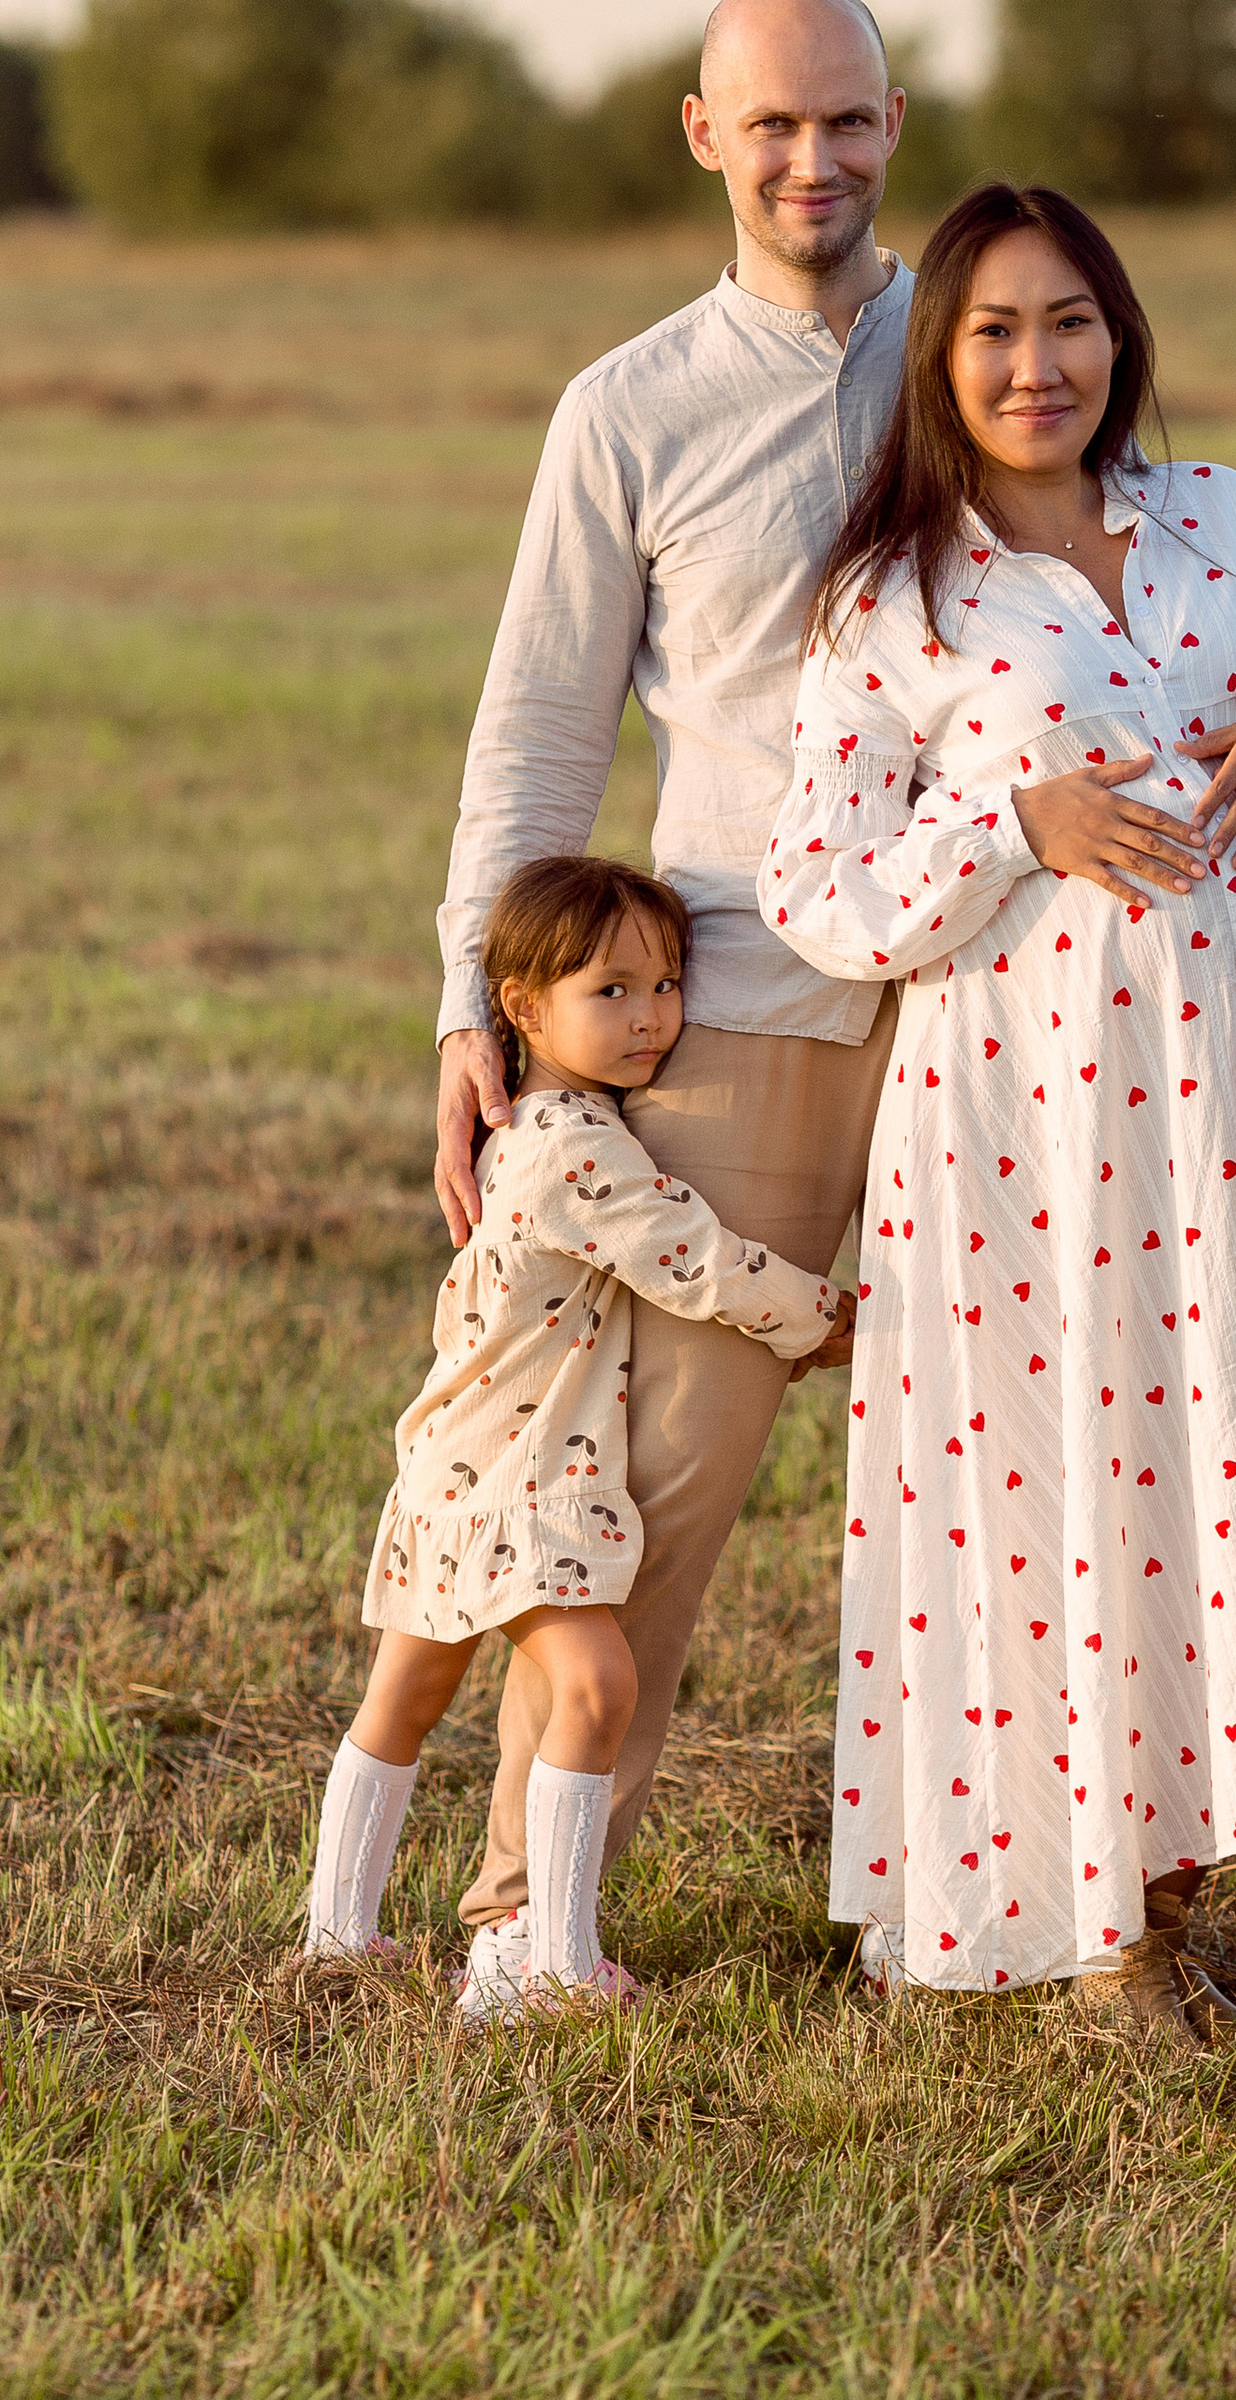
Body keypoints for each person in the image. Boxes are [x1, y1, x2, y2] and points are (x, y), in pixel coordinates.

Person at [427, 0, 1236, 2021]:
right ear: (701, 139)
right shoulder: (630, 411)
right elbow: (535, 738)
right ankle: (524, 1918)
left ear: (891, 124)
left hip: (1022, 1033)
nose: (811, 162)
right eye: (769, 129)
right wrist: (466, 1010)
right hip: (737, 1007)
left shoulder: (981, 333)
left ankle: (1100, 1874)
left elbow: (1184, 599)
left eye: (842, 124)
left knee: (1062, 1453)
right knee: (649, 1485)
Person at [758, 179, 1236, 2046]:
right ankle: (1097, 1933)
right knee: (1066, 1479)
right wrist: (1017, 820)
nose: (1036, 363)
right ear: (940, 357)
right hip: (1029, 1128)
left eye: (1070, 322)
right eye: (992, 329)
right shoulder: (892, 595)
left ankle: (1235, 1869)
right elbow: (821, 890)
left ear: (1119, 336)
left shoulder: (1219, 516)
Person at [303, 853, 840, 2003]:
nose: (650, 1017)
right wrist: (827, 1317)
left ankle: (339, 1932)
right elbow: (690, 1257)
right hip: (521, 1474)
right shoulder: (570, 1146)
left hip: (454, 1454)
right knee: (594, 1688)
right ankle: (548, 1960)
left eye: (666, 985)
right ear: (522, 1007)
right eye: (611, 990)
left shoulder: (552, 1125)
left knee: (408, 1693)